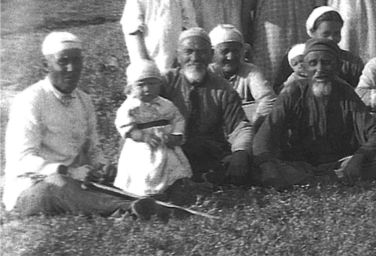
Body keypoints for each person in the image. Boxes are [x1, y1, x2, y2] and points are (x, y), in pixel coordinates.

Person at [3, 32, 151, 218]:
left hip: (77, 181)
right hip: (32, 188)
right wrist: (67, 171)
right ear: (45, 65)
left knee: (114, 177)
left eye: (77, 61)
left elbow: (93, 148)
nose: (72, 68)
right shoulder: (30, 100)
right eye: (63, 62)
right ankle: (130, 207)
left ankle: (136, 205)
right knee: (59, 185)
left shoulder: (84, 100)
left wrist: (101, 166)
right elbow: (23, 160)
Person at [253, 38, 376, 189]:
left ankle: (316, 184)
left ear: (337, 67)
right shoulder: (293, 92)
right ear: (305, 67)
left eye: (326, 63)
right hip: (299, 166)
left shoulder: (346, 92)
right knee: (266, 167)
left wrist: (359, 158)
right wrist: (266, 164)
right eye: (313, 63)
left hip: (341, 164)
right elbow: (265, 133)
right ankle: (332, 183)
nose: (320, 69)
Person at [161, 28, 253, 185]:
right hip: (169, 150)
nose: (195, 58)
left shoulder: (223, 89)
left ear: (211, 55)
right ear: (178, 56)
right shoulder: (165, 82)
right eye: (188, 52)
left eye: (201, 52)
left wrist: (240, 152)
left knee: (244, 168)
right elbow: (139, 112)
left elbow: (240, 127)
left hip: (208, 153)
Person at [114, 59, 192, 198]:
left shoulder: (166, 104)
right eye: (141, 85)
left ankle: (175, 190)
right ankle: (148, 195)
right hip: (142, 148)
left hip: (166, 146)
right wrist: (143, 136)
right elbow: (127, 128)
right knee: (146, 171)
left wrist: (176, 135)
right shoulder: (130, 107)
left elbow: (178, 119)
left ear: (159, 84)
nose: (147, 89)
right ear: (131, 87)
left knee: (173, 167)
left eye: (152, 84)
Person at [208, 24, 275, 126]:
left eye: (236, 51)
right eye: (225, 51)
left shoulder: (250, 71)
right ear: (213, 53)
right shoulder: (207, 73)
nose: (230, 57)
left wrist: (251, 126)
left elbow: (269, 100)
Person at [305, 6, 364, 88]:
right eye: (326, 34)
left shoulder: (352, 62)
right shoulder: (299, 59)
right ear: (312, 32)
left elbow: (360, 93)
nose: (332, 38)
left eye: (336, 33)